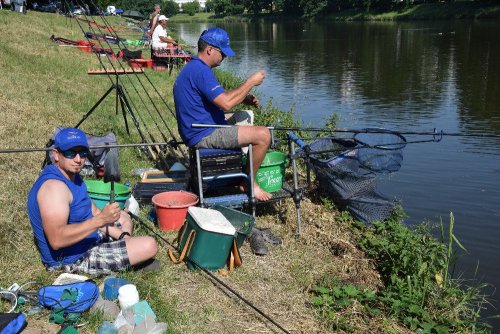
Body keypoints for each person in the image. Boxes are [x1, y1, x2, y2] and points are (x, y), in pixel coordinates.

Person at [27, 128, 159, 274]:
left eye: (83, 153)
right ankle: (130, 258)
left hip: (86, 238)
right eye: (71, 153)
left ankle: (126, 248)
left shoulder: (72, 176)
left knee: (123, 216)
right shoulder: (53, 188)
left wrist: (122, 236)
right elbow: (57, 240)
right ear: (55, 154)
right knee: (150, 245)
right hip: (72, 259)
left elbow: (94, 212)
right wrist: (101, 220)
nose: (78, 159)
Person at [173, 27, 272, 201]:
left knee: (245, 115)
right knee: (263, 135)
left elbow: (217, 98)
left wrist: (243, 98)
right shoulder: (201, 71)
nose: (225, 57)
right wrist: (250, 82)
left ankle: (243, 164)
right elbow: (225, 103)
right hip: (204, 133)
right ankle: (249, 182)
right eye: (223, 53)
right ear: (210, 50)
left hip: (200, 126)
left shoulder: (194, 67)